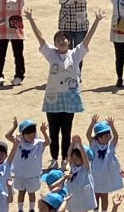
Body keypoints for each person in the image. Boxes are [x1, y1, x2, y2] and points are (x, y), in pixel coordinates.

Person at [37, 27, 91, 161]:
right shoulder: (51, 54)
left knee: (66, 132)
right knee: (53, 132)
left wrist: (96, 21)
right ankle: (54, 159)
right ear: (55, 44)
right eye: (58, 40)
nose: (61, 42)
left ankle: (65, 159)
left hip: (69, 99)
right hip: (53, 99)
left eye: (63, 39)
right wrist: (31, 19)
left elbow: (86, 40)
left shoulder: (75, 54)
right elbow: (40, 38)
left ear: (69, 41)